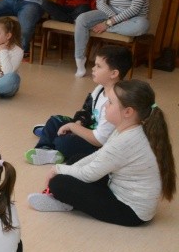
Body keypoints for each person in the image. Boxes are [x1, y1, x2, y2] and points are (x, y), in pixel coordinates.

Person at [28, 80, 175, 227]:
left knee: (58, 183)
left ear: (128, 112)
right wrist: (67, 170)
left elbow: (88, 174)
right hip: (119, 188)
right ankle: (64, 198)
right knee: (77, 159)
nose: (105, 106)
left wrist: (57, 169)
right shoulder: (129, 128)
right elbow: (99, 155)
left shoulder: (125, 141)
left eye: (110, 102)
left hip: (130, 212)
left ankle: (65, 201)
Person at [26, 46, 132, 166]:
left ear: (114, 73)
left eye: (98, 66)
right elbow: (86, 110)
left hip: (99, 145)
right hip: (89, 128)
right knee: (54, 120)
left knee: (64, 142)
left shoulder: (115, 102)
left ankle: (52, 140)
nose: (93, 69)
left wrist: (73, 128)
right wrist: (78, 122)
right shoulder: (100, 88)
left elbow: (100, 140)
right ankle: (45, 148)